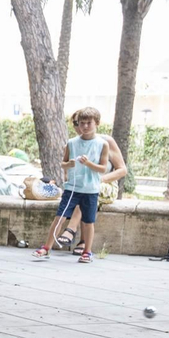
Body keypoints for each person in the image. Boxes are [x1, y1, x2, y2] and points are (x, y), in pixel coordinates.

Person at [34, 107, 121, 264]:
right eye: (81, 123)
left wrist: (88, 164)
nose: (85, 127)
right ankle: (46, 247)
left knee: (88, 222)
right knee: (59, 217)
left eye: (89, 123)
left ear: (97, 123)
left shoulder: (102, 144)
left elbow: (102, 168)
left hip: (91, 189)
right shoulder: (72, 143)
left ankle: (87, 251)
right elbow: (63, 163)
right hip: (72, 188)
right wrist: (69, 164)